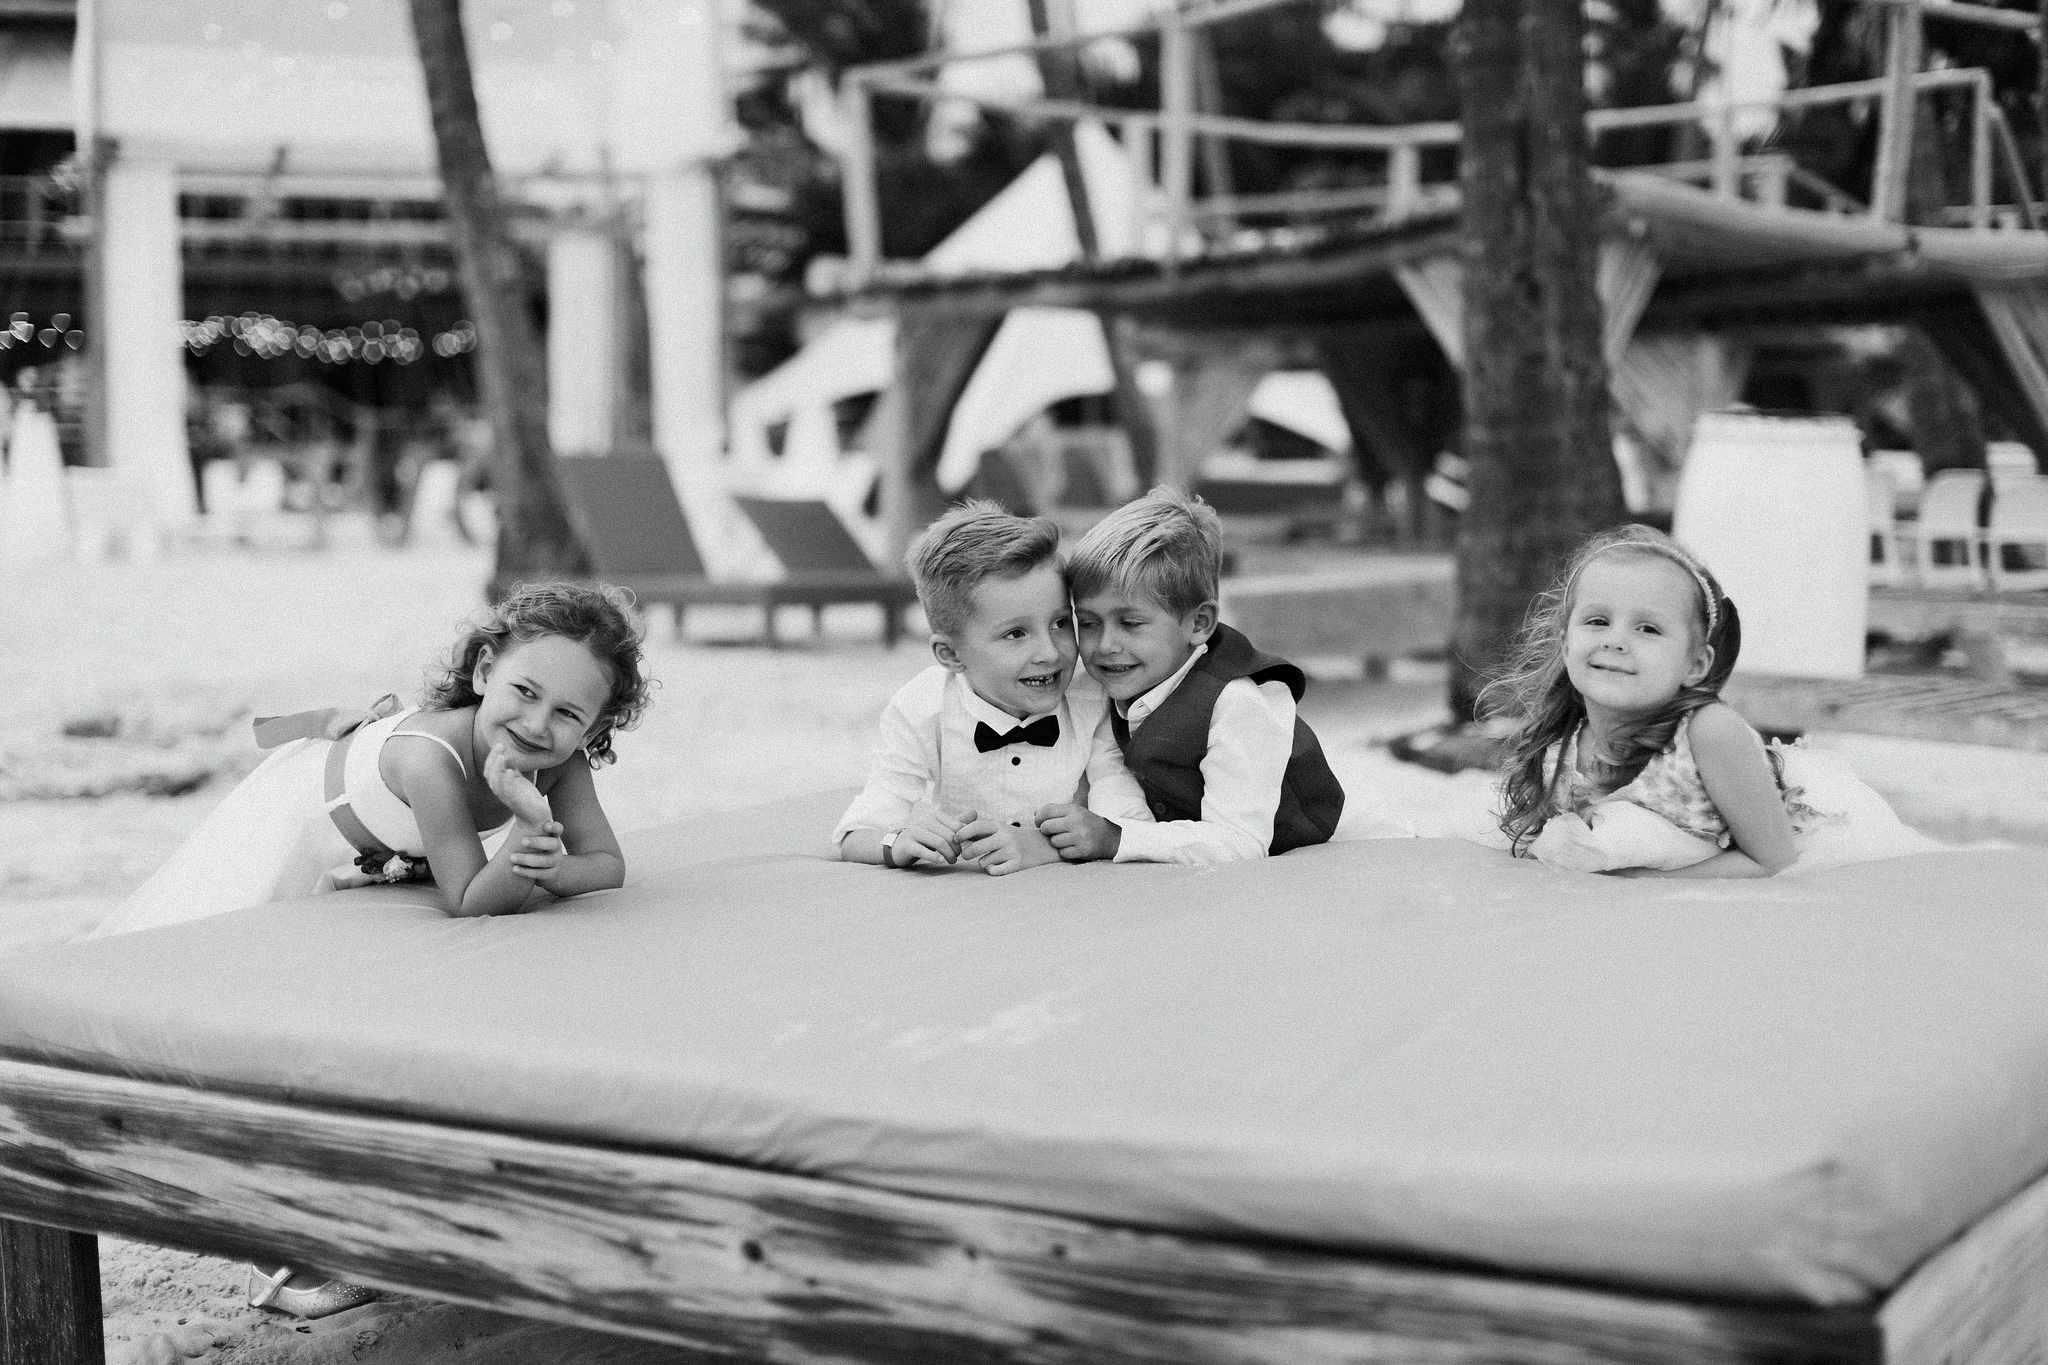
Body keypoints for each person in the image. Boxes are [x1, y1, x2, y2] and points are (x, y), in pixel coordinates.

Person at [93, 582, 653, 939]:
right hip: (301, 818)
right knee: (199, 930)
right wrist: (530, 830)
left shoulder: (561, 762)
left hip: (384, 842)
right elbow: (469, 901)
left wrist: (552, 870)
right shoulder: (428, 762)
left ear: (592, 728)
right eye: (525, 692)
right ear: (485, 671)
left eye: (567, 714)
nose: (536, 725)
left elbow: (607, 863)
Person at [1486, 524, 1934, 877]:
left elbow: (1774, 862)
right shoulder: (1561, 745)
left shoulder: (1708, 732)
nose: (1615, 641)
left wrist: (1638, 884)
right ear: (1566, 644)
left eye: (1648, 629)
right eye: (1597, 621)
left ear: (1696, 664)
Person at [834, 500, 1152, 875]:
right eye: (1016, 634)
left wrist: (1052, 846)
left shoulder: (1092, 697)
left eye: (1060, 623)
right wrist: (897, 842)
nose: (1050, 653)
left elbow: (1125, 825)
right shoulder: (922, 708)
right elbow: (855, 833)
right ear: (951, 654)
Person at [1043, 487, 1345, 864]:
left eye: (1131, 623)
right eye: (1088, 623)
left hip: (1286, 853)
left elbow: (1241, 841)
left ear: (1199, 623)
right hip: (1190, 845)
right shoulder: (1113, 682)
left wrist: (1118, 839)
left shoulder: (1236, 702)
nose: (1105, 645)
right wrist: (1120, 831)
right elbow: (1111, 775)